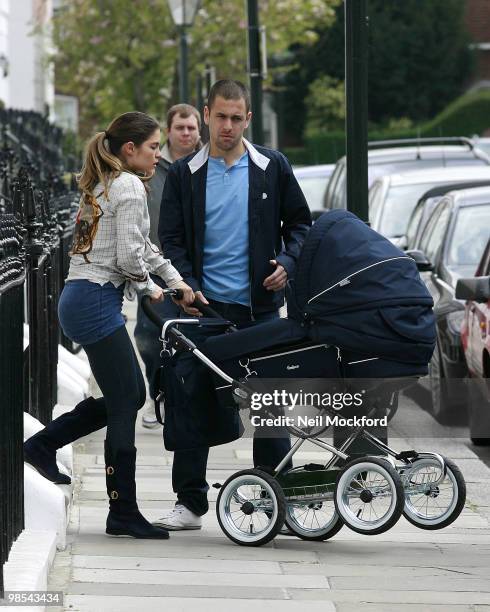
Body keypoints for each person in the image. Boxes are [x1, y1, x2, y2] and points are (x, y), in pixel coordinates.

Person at [23, 111, 194, 540]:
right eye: (154, 147)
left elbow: (141, 247)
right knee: (125, 400)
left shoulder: (106, 183)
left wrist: (177, 283)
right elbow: (128, 259)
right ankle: (122, 510)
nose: (159, 155)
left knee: (131, 393)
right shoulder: (130, 185)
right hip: (96, 300)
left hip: (83, 298)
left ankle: (43, 445)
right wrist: (150, 289)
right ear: (130, 149)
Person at [153, 79, 312, 530]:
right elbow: (172, 239)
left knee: (270, 406)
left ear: (248, 119)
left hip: (261, 309)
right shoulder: (186, 174)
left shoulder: (271, 166)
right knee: (190, 399)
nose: (227, 126)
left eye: (236, 118)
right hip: (205, 310)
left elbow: (301, 226)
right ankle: (190, 504)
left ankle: (273, 501)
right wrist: (187, 284)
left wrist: (287, 261)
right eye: (220, 117)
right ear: (206, 114)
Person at [134, 104, 202, 429]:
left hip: (195, 269)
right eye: (180, 128)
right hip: (155, 268)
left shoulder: (208, 166)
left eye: (191, 128)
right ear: (169, 130)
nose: (186, 133)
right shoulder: (150, 167)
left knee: (192, 337)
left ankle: (185, 398)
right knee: (149, 337)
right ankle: (157, 393)